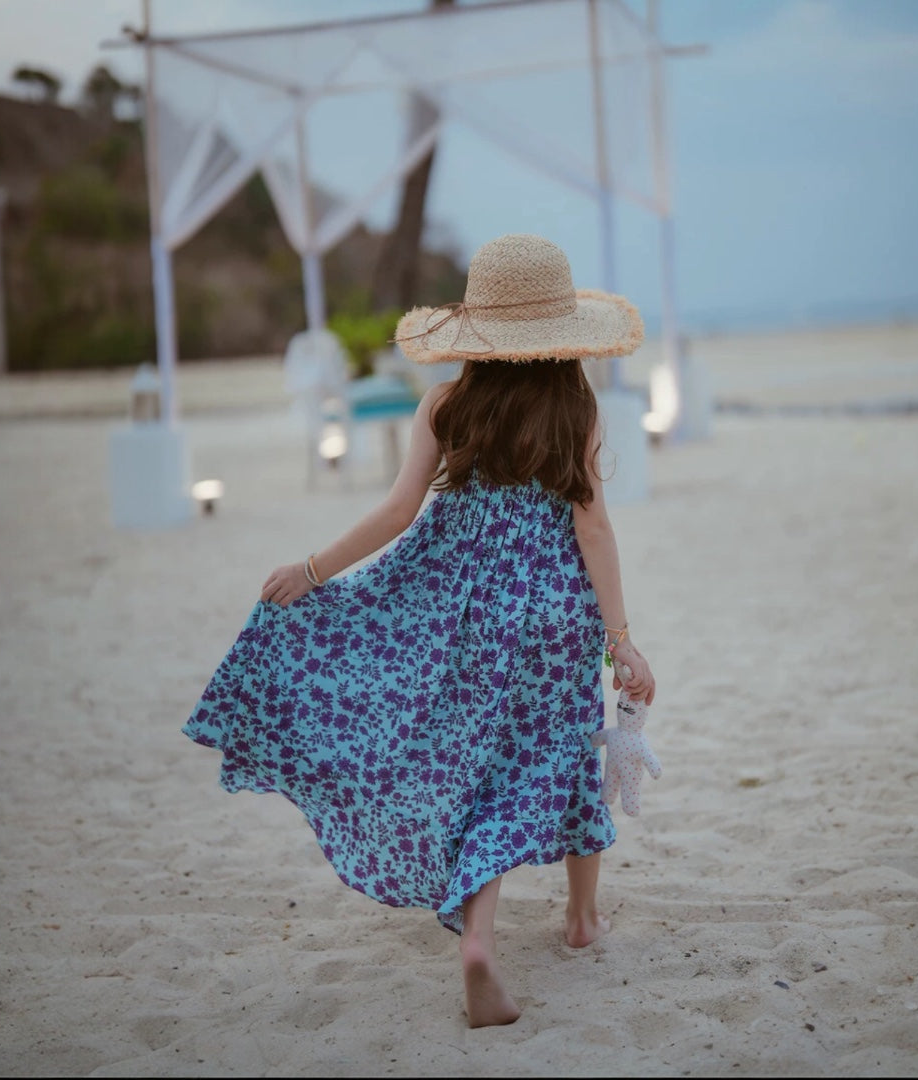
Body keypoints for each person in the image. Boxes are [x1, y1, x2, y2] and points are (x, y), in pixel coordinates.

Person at [182, 233, 657, 1029]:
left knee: (477, 772)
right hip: (553, 620)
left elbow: (399, 513)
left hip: (463, 620)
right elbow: (595, 531)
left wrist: (313, 569)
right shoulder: (577, 408)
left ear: (476, 333)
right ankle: (581, 920)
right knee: (566, 755)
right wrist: (621, 640)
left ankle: (478, 939)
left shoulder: (445, 404)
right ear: (559, 334)